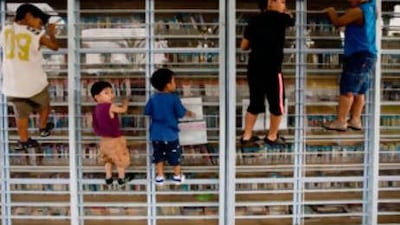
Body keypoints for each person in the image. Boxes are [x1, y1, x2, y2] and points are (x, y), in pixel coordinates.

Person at [0, 3, 59, 149]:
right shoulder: (34, 33)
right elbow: (54, 47)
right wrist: (50, 32)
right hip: (33, 81)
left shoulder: (5, 30)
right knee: (45, 104)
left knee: (21, 113)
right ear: (28, 16)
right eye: (39, 22)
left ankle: (24, 140)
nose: (40, 26)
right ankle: (43, 127)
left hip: (12, 83)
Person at [240, 0, 294, 147]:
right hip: (272, 69)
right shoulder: (281, 18)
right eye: (282, 2)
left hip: (254, 68)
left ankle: (247, 136)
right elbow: (291, 19)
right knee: (277, 105)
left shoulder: (254, 21)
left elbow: (243, 46)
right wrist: (286, 13)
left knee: (255, 103)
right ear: (270, 2)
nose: (284, 5)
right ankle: (271, 136)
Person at [323, 0, 377, 131]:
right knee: (359, 90)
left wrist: (331, 11)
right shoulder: (371, 8)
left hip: (358, 55)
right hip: (367, 55)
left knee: (347, 89)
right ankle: (355, 119)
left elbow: (338, 22)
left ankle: (341, 121)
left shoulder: (359, 11)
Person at [144, 68, 194, 185]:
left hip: (156, 134)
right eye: (174, 81)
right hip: (170, 134)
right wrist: (190, 113)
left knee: (158, 155)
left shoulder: (153, 98)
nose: (175, 84)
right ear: (168, 85)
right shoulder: (173, 98)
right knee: (174, 155)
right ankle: (177, 175)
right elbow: (181, 112)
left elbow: (147, 111)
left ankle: (160, 176)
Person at [90, 81, 132, 186]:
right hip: (115, 140)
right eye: (107, 93)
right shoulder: (110, 106)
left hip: (104, 140)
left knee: (107, 159)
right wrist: (126, 103)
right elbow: (122, 110)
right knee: (119, 159)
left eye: (111, 92)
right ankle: (122, 178)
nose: (111, 95)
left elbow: (94, 124)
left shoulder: (96, 109)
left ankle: (108, 177)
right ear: (97, 97)